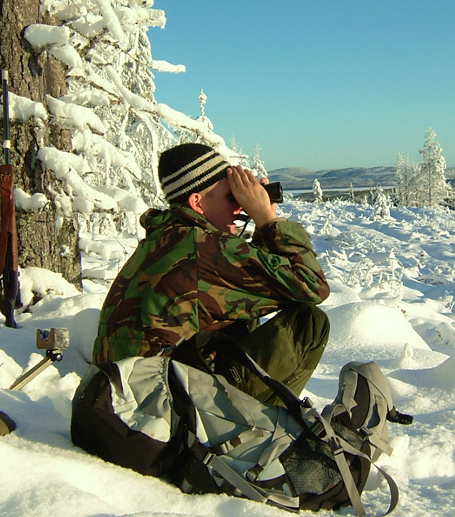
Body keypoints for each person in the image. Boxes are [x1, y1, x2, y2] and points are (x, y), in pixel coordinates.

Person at [92, 143, 330, 405]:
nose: (239, 208)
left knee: (241, 315)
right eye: (231, 197)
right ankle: (272, 425)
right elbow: (311, 285)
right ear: (197, 202)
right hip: (171, 410)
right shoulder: (202, 248)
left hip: (134, 403)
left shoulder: (163, 241)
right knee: (309, 323)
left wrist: (265, 227)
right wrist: (266, 220)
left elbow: (252, 284)